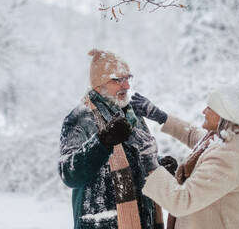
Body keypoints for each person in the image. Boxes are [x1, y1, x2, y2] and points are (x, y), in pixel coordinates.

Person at [58, 49, 164, 229]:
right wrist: (102, 142)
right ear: (99, 85)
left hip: (143, 220)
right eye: (118, 80)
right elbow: (69, 173)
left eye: (127, 78)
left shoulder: (133, 115)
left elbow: (136, 161)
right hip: (103, 223)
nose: (127, 86)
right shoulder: (79, 118)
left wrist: (159, 164)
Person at [131, 86, 239, 229]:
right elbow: (196, 138)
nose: (203, 111)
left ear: (224, 116)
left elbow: (181, 201)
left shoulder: (228, 158)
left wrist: (151, 164)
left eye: (210, 108)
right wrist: (162, 117)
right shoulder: (230, 137)